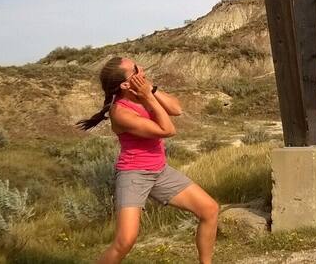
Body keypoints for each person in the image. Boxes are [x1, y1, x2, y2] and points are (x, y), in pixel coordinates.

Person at [76, 57, 219, 264]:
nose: (141, 68)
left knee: (210, 210)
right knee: (125, 241)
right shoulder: (120, 112)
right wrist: (148, 97)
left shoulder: (143, 93)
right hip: (134, 174)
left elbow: (176, 109)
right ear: (125, 84)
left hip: (159, 170)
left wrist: (149, 90)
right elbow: (168, 130)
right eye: (135, 69)